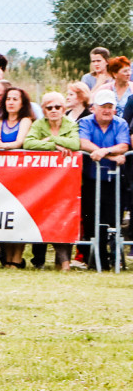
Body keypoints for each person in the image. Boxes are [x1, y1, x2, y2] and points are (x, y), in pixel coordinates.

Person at [23, 92, 80, 270]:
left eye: (58, 107)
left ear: (64, 109)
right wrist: (54, 146)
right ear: (44, 110)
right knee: (42, 218)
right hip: (42, 180)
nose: (54, 110)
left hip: (65, 181)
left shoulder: (71, 124)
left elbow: (76, 144)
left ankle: (63, 262)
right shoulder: (39, 124)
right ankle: (38, 261)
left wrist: (51, 139)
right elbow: (28, 143)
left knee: (64, 219)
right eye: (49, 108)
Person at [78, 90, 130, 270]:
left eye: (110, 107)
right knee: (91, 219)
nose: (107, 110)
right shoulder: (85, 122)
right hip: (91, 179)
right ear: (94, 108)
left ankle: (115, 258)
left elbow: (124, 146)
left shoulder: (120, 123)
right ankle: (96, 260)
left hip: (114, 181)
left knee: (113, 219)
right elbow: (83, 143)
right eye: (103, 107)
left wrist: (104, 152)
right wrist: (110, 155)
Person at [0, 87, 34, 268]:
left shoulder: (26, 120)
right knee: (6, 215)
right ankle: (7, 257)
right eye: (8, 98)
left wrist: (4, 145)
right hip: (2, 175)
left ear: (22, 103)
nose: (10, 102)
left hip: (21, 173)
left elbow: (20, 142)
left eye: (15, 99)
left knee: (20, 214)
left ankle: (17, 257)